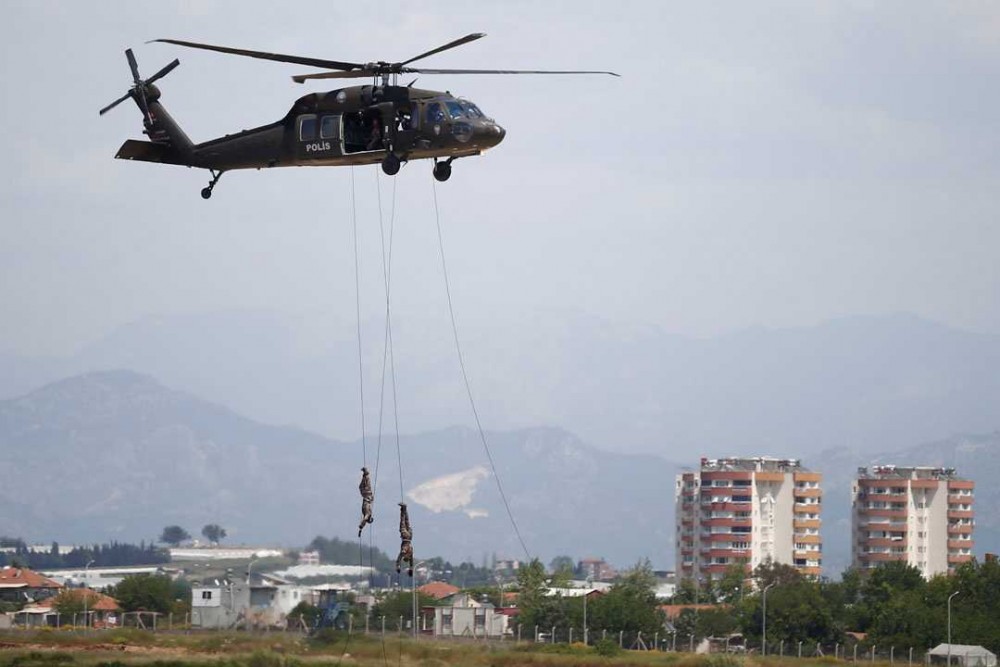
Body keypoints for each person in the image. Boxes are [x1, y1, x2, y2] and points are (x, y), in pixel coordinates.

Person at [396, 502, 414, 576]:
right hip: (405, 537)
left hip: (410, 537)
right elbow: (399, 558)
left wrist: (411, 569)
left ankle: (405, 509)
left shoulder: (411, 554)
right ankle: (403, 509)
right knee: (402, 522)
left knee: (407, 521)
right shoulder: (405, 552)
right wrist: (398, 567)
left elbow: (411, 563)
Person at [357, 467, 374, 537]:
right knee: (367, 486)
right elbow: (365, 520)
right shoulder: (368, 514)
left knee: (361, 487)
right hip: (368, 497)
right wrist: (360, 526)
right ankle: (366, 473)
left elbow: (364, 522)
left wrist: (360, 530)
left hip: (365, 497)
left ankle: (364, 474)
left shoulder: (366, 514)